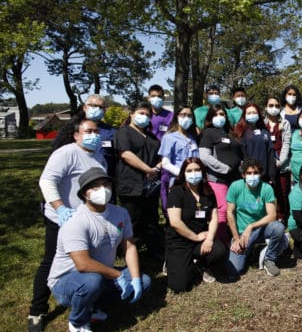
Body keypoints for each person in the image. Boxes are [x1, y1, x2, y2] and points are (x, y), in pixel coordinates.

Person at [48, 168, 151, 332]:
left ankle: (93, 307)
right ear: (84, 194)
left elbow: (129, 245)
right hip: (66, 281)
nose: (102, 190)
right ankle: (78, 323)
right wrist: (118, 275)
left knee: (145, 281)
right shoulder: (76, 221)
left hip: (101, 274)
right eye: (94, 187)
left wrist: (134, 278)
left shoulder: (120, 213)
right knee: (91, 281)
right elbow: (82, 264)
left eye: (105, 184)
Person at [28, 118, 107, 332]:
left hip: (88, 220)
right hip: (61, 219)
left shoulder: (98, 156)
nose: (94, 134)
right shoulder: (66, 153)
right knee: (51, 260)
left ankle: (87, 302)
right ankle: (37, 310)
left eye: (96, 130)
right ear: (76, 135)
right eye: (88, 131)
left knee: (88, 260)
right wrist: (61, 209)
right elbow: (46, 181)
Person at [165, 158, 228, 292]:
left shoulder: (208, 191)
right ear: (184, 173)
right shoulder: (176, 192)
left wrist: (210, 238)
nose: (194, 173)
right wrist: (195, 237)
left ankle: (201, 264)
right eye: (189, 170)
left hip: (201, 238)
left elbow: (214, 218)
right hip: (180, 240)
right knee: (180, 286)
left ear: (203, 172)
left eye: (197, 170)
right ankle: (172, 262)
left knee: (219, 251)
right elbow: (175, 222)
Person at [114, 101, 164, 259]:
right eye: (141, 113)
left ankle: (153, 249)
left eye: (148, 115)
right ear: (132, 114)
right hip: (131, 183)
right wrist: (147, 169)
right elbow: (126, 154)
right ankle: (127, 252)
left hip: (150, 184)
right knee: (132, 219)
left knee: (151, 218)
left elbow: (160, 155)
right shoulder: (124, 132)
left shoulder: (151, 137)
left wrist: (157, 167)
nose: (144, 117)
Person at [226, 158, 286, 277]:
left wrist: (251, 226)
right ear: (243, 175)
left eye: (256, 173)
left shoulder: (266, 188)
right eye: (249, 173)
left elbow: (272, 216)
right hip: (242, 234)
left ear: (260, 174)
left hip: (261, 230)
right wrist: (236, 238)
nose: (252, 176)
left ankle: (269, 259)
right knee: (234, 271)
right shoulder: (235, 187)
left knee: (278, 227)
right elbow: (229, 213)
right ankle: (252, 251)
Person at [198, 104, 243, 244]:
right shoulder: (208, 133)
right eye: (216, 114)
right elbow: (204, 157)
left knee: (236, 210)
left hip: (235, 179)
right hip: (218, 179)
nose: (219, 117)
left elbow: (238, 154)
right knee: (222, 211)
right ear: (210, 117)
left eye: (222, 114)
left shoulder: (230, 133)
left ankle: (238, 239)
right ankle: (220, 243)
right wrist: (225, 168)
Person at [51, 94, 117, 177]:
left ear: (105, 110)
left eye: (101, 107)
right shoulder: (71, 128)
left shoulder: (112, 132)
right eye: (94, 106)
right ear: (85, 108)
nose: (97, 109)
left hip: (104, 177)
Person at [158, 105, 199, 214]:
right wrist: (182, 174)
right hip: (177, 181)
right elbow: (165, 163)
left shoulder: (193, 138)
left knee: (192, 213)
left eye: (190, 115)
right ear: (177, 116)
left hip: (194, 181)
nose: (186, 118)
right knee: (177, 213)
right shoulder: (169, 137)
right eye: (183, 115)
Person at [264, 96, 292, 224]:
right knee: (267, 192)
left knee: (282, 192)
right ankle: (268, 216)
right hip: (266, 163)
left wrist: (280, 162)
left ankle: (282, 217)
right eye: (270, 105)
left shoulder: (285, 124)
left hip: (282, 164)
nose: (273, 108)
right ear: (265, 108)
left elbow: (287, 143)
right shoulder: (262, 124)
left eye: (276, 105)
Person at [234, 103, 276, 181]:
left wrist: (272, 176)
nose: (252, 115)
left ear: (259, 114)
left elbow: (270, 154)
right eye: (249, 113)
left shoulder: (265, 132)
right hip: (248, 176)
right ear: (244, 115)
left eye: (254, 113)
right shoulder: (240, 132)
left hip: (264, 176)